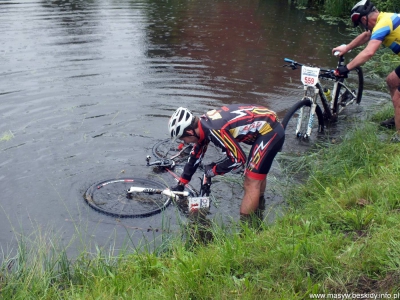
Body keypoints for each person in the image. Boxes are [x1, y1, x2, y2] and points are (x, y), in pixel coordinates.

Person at [167, 104, 285, 226]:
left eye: (182, 138)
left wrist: (213, 170)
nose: (184, 142)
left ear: (190, 132)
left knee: (251, 181)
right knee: (257, 176)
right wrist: (181, 184)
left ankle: (247, 229)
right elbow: (195, 156)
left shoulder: (215, 130)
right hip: (267, 125)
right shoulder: (203, 125)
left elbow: (238, 160)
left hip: (270, 131)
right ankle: (259, 208)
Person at [332, 0, 400, 142]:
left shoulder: (383, 23)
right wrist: (347, 48)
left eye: (362, 25)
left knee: (398, 98)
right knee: (392, 81)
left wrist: (346, 68)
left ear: (364, 19)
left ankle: (398, 138)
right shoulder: (383, 19)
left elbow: (369, 52)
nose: (363, 28)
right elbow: (367, 35)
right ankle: (398, 117)